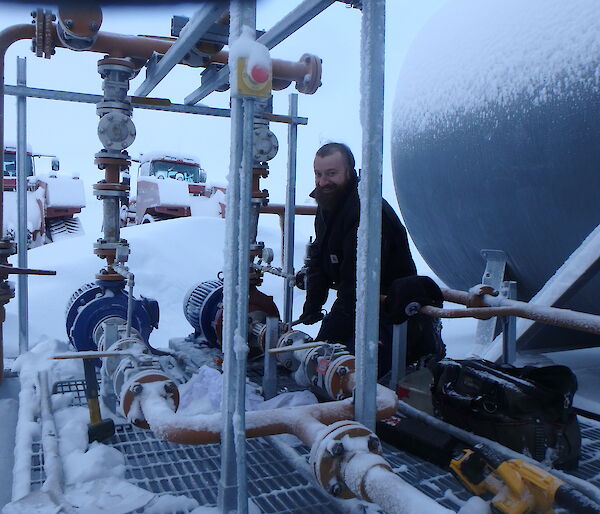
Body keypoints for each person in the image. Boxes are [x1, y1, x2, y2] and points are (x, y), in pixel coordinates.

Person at [298, 142, 444, 378]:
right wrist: (313, 305)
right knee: (322, 364)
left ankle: (421, 355)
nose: (323, 182)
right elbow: (319, 257)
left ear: (350, 172)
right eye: (318, 174)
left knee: (343, 372)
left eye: (332, 173)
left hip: (388, 313)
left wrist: (325, 339)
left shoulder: (366, 212)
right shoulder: (329, 204)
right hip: (357, 306)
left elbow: (356, 285)